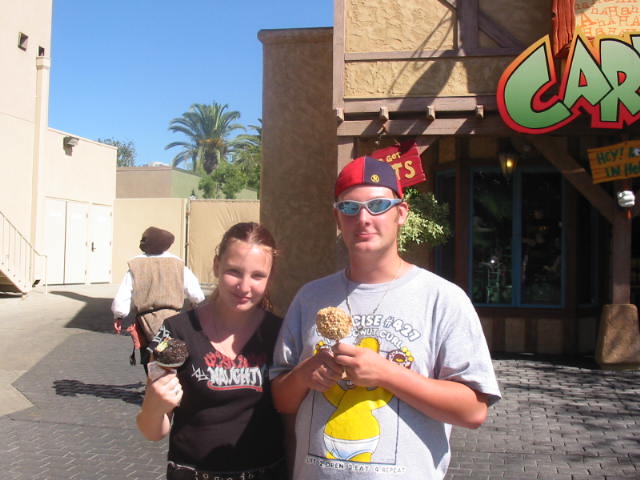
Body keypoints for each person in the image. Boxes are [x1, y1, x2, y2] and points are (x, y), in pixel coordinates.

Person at [270, 156, 501, 479]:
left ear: (401, 213)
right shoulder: (310, 297)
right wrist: (304, 375)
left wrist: (386, 373)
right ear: (338, 218)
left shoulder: (443, 299)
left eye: (378, 206)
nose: (363, 218)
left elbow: (473, 411)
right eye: (350, 208)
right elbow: (281, 400)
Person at [136, 222, 287, 480]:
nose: (244, 286)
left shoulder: (280, 333)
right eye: (234, 272)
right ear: (217, 265)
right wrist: (154, 404)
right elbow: (151, 431)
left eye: (257, 276)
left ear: (270, 277)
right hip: (192, 472)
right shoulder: (175, 332)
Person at [112, 226, 205, 370]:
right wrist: (194, 304)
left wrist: (119, 316)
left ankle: (153, 378)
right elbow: (196, 295)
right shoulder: (178, 265)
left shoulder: (136, 265)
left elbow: (123, 294)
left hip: (145, 321)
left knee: (150, 355)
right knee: (171, 353)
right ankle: (169, 377)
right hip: (173, 319)